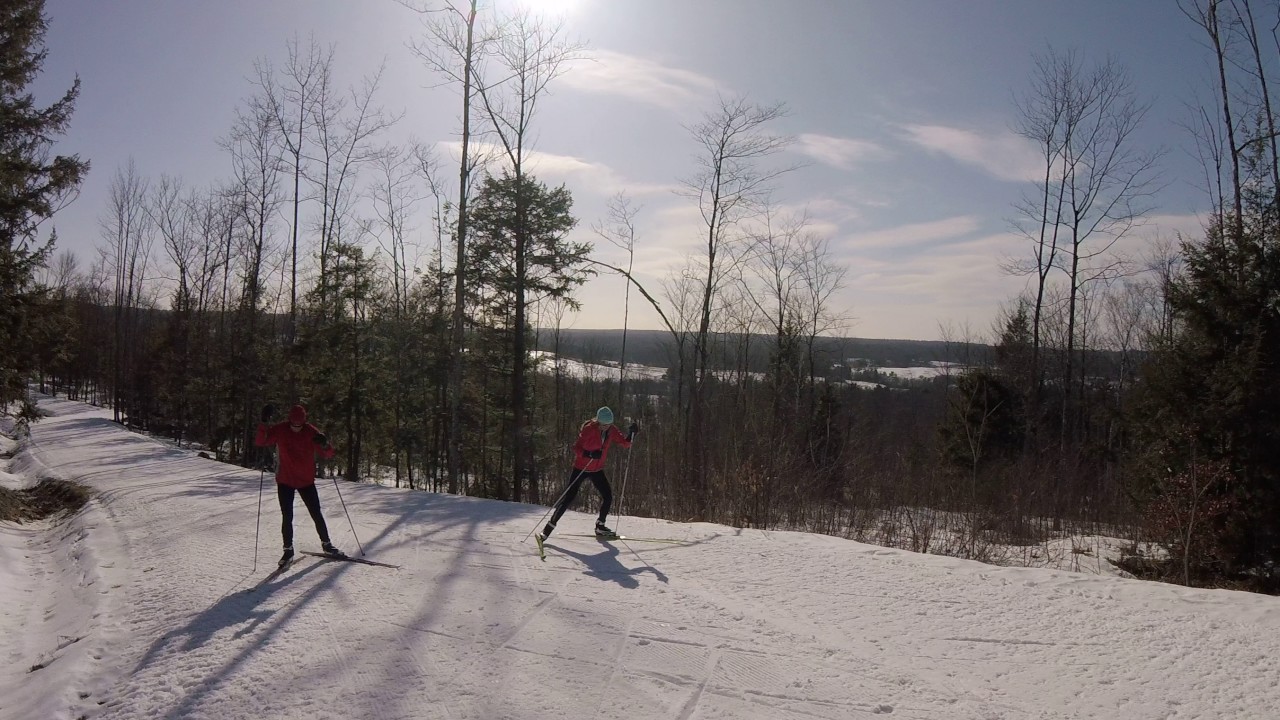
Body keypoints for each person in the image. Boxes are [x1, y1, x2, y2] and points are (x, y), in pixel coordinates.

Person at [255, 403, 342, 566]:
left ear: (304, 421)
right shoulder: (281, 429)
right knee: (287, 516)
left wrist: (325, 444)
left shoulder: (310, 431)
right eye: (293, 425)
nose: (296, 428)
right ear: (289, 421)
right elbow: (261, 441)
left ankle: (327, 544)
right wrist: (263, 422)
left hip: (306, 481)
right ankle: (288, 550)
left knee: (316, 513)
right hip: (285, 480)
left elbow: (328, 454)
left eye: (299, 425)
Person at [538, 406, 638, 544]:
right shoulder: (589, 429)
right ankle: (547, 530)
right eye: (604, 425)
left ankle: (600, 526)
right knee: (568, 499)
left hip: (597, 470)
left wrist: (632, 434)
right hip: (581, 468)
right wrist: (589, 454)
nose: (606, 427)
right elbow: (576, 448)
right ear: (598, 422)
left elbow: (625, 443)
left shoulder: (612, 430)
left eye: (609, 424)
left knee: (608, 496)